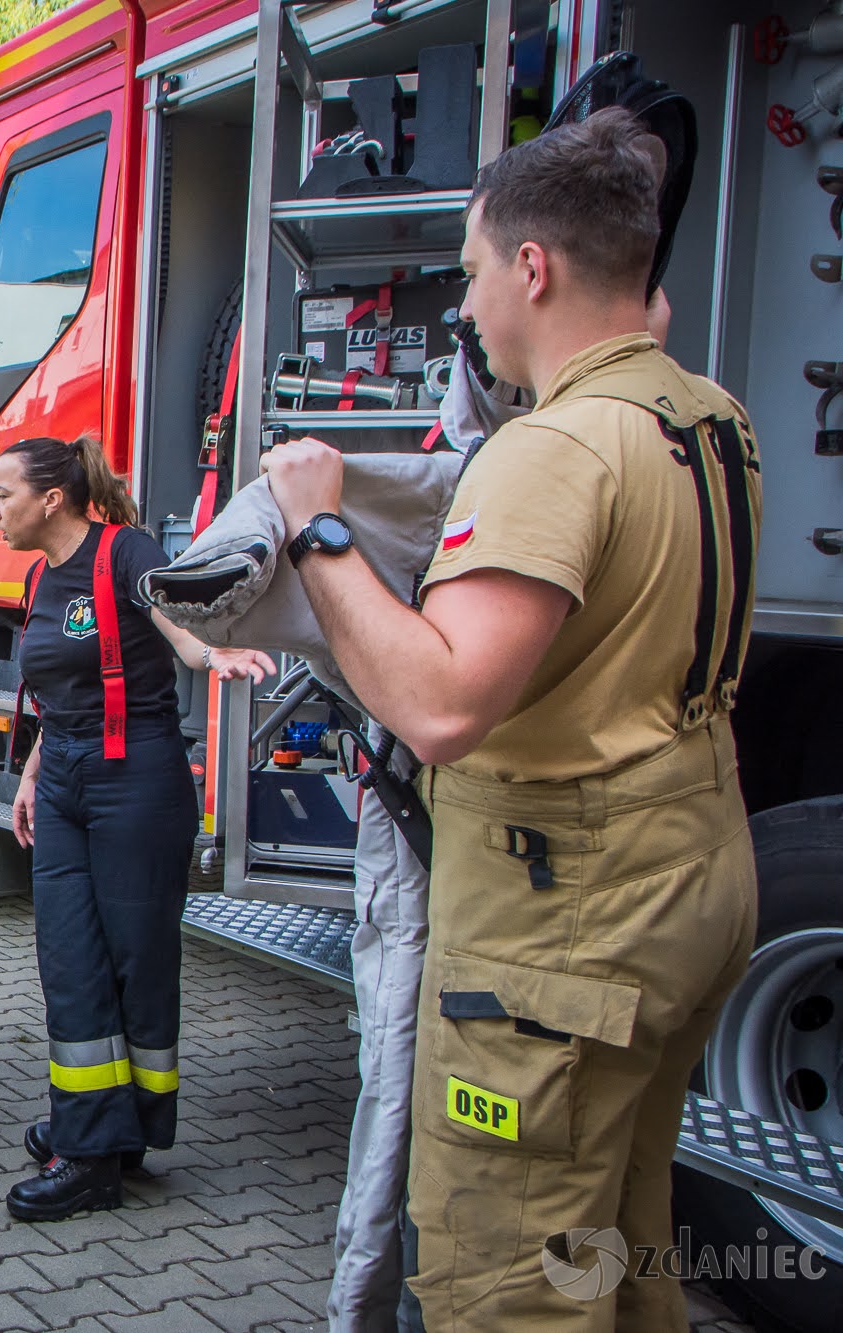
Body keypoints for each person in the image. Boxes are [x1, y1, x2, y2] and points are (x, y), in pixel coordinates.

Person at [262, 108, 762, 1328]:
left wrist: (317, 528)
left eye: (475, 272)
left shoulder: (552, 449)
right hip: (687, 882)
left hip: (566, 933)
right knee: (621, 1235)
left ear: (530, 267)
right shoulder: (708, 418)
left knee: (510, 1281)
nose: (469, 307)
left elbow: (438, 705)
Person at [0, 434, 273, 1223]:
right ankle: (91, 1136)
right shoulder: (42, 576)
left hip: (137, 779)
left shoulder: (126, 550)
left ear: (52, 498)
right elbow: (58, 693)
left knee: (137, 963)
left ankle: (118, 1143)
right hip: (69, 779)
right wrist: (32, 774)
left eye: (3, 492)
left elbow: (172, 619)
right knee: (71, 959)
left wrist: (208, 652)